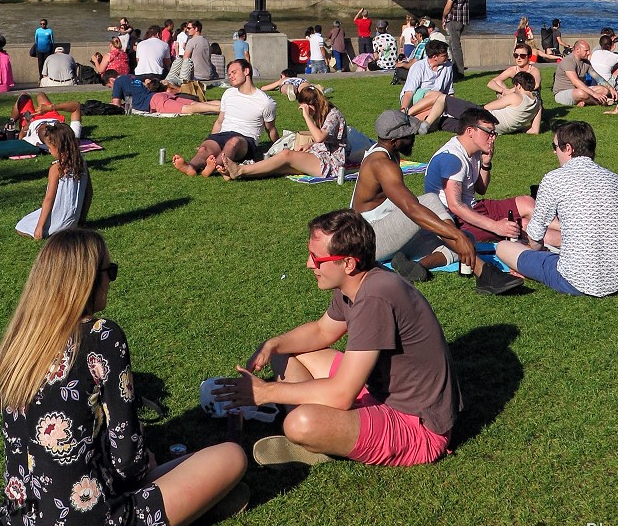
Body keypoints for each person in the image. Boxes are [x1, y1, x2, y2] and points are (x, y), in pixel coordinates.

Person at [0, 230, 247, 526]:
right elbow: (127, 462)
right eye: (109, 272)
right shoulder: (101, 336)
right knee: (231, 456)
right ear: (87, 281)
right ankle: (198, 505)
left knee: (198, 466)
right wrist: (147, 462)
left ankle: (203, 502)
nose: (111, 281)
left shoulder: (20, 341)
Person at [215, 209, 462, 467]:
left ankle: (317, 438)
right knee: (283, 355)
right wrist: (272, 345)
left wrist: (266, 392)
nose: (309, 264)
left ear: (348, 263)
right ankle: (325, 435)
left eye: (317, 258)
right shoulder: (356, 282)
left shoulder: (374, 297)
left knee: (300, 424)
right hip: (379, 389)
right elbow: (323, 331)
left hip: (416, 425)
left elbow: (343, 394)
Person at [351, 108, 520, 292]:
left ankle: (417, 266)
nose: (414, 138)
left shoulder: (389, 154)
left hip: (387, 233)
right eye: (410, 135)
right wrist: (455, 234)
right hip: (369, 240)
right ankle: (484, 273)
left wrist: (457, 236)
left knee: (467, 239)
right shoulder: (381, 164)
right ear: (395, 141)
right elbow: (411, 208)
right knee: (432, 204)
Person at [496, 120, 618, 297]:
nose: (554, 151)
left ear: (568, 148)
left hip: (574, 280)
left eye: (555, 146)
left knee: (503, 247)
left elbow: (535, 235)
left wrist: (534, 254)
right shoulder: (615, 180)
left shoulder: (555, 179)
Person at [430, 112, 535, 241]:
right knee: (520, 225)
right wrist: (496, 226)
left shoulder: (474, 150)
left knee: (528, 202)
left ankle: (566, 227)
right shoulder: (452, 159)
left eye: (494, 133)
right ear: (470, 131)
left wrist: (485, 163)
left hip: (473, 207)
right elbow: (455, 206)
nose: (493, 138)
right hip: (456, 221)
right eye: (488, 132)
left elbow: (481, 189)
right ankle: (565, 240)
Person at [172, 60, 278, 176]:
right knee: (205, 149)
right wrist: (210, 139)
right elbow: (219, 122)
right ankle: (191, 167)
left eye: (234, 72)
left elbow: (271, 129)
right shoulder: (228, 93)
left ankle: (213, 166)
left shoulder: (265, 101)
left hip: (246, 139)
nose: (230, 76)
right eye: (229, 74)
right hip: (224, 134)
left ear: (246, 71)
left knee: (233, 142)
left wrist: (278, 146)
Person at [222, 85, 348, 182]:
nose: (306, 113)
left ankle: (239, 170)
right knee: (279, 167)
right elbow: (324, 138)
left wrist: (306, 116)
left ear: (311, 105)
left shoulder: (333, 115)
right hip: (320, 154)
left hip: (331, 162)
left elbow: (320, 137)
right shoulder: (320, 113)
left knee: (286, 155)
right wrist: (310, 145)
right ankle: (238, 173)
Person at [15, 122, 92, 238]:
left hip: (60, 223)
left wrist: (39, 227)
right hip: (73, 221)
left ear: (58, 147)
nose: (49, 151)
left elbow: (49, 199)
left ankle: (44, 228)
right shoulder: (82, 164)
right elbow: (89, 193)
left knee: (21, 226)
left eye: (50, 147)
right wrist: (81, 220)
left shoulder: (56, 169)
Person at [399, 40, 455, 134]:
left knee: (436, 114)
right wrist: (403, 108)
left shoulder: (448, 67)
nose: (447, 58)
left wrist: (452, 107)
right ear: (435, 57)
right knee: (438, 95)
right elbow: (409, 91)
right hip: (415, 98)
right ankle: (404, 115)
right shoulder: (419, 66)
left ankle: (411, 124)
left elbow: (449, 91)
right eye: (444, 55)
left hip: (435, 101)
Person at [487, 43, 542, 132]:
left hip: (530, 99)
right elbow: (491, 83)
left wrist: (510, 91)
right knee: (498, 82)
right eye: (516, 55)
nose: (518, 58)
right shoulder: (512, 70)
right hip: (516, 97)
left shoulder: (533, 71)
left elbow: (535, 85)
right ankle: (506, 111)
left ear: (529, 56)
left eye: (522, 56)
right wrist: (504, 90)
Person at [551, 41, 614, 108]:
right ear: (578, 50)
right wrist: (594, 94)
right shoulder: (568, 61)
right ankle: (600, 102)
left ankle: (584, 101)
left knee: (604, 90)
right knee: (581, 93)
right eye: (586, 51)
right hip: (563, 92)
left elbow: (597, 77)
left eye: (589, 50)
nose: (589, 53)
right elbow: (576, 82)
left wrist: (610, 88)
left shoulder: (586, 62)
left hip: (580, 89)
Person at [485, 71, 541, 135]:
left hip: (489, 121)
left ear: (519, 85)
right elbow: (534, 131)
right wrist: (518, 128)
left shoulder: (515, 97)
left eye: (515, 86)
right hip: (504, 129)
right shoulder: (538, 104)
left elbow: (485, 108)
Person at [441, 0, 469, 79]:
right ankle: (456, 70)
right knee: (454, 45)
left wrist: (443, 17)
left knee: (455, 46)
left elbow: (449, 4)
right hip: (462, 20)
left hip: (454, 19)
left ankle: (458, 72)